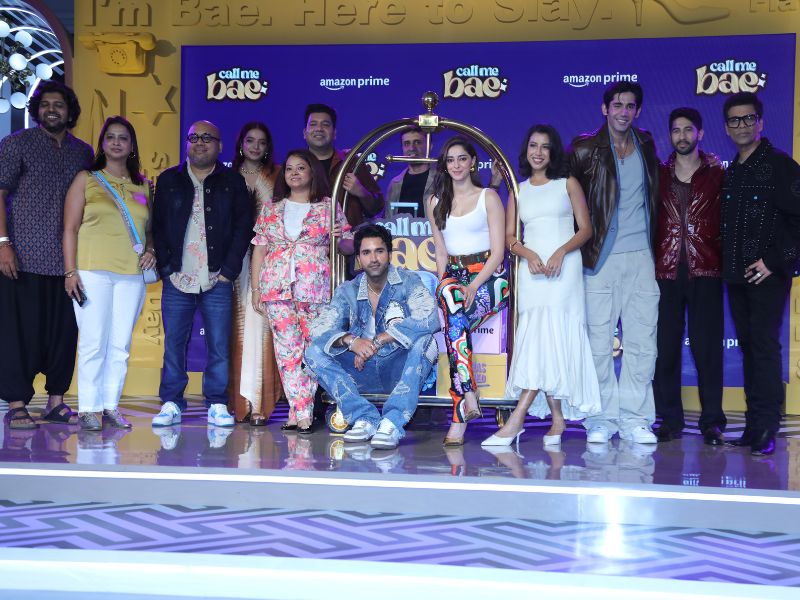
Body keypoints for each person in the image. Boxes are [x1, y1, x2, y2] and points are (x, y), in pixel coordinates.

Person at [483, 124, 599, 448]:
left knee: (554, 339)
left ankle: (517, 420)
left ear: (553, 152)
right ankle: (557, 419)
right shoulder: (518, 191)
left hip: (564, 271)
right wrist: (528, 254)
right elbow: (509, 237)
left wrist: (561, 251)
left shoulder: (567, 183)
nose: (538, 152)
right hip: (532, 272)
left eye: (545, 147)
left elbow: (586, 229)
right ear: (526, 150)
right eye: (533, 145)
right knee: (539, 342)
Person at [569, 81, 660, 445]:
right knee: (598, 343)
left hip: (642, 257)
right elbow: (565, 198)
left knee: (642, 341)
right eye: (617, 105)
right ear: (605, 108)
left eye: (630, 106)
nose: (624, 112)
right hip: (599, 258)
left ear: (638, 111)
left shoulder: (646, 144)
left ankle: (636, 419)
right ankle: (600, 418)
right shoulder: (584, 149)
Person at [0, 81, 93, 430]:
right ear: (37, 109)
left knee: (63, 335)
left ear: (70, 112)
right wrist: (3, 243)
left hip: (67, 262)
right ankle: (17, 404)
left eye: (59, 105)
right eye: (46, 104)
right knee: (18, 334)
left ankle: (56, 402)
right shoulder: (16, 144)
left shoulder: (82, 152)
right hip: (20, 258)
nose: (52, 110)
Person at [151, 120, 253, 428]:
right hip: (177, 276)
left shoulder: (232, 181)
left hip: (217, 276)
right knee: (174, 344)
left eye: (207, 138)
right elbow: (157, 226)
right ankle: (171, 402)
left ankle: (217, 403)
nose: (199, 142)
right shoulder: (169, 179)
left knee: (219, 345)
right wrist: (166, 268)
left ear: (220, 146)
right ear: (186, 143)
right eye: (194, 137)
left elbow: (243, 228)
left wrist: (229, 271)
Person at [304, 224, 440, 450]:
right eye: (366, 253)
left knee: (426, 342)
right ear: (358, 258)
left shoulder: (408, 281)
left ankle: (392, 423)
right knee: (313, 352)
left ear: (390, 254)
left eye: (379, 251)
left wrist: (380, 340)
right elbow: (319, 329)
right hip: (361, 370)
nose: (374, 259)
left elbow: (429, 317)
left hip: (399, 368)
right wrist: (351, 341)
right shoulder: (348, 290)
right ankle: (364, 417)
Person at [250, 149, 353, 434]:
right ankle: (301, 411)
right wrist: (256, 288)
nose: (294, 173)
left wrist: (341, 238)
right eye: (289, 169)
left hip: (315, 288)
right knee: (287, 352)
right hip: (276, 288)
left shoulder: (328, 206)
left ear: (312, 172)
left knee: (313, 350)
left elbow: (347, 246)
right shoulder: (271, 208)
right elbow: (259, 249)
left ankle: (300, 409)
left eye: (300, 168)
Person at [720, 92, 800, 456]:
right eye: (735, 120)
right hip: (736, 277)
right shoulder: (733, 171)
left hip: (768, 276)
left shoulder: (781, 165)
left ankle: (768, 426)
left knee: (765, 348)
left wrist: (772, 262)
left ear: (761, 123)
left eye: (748, 118)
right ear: (726, 128)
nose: (742, 126)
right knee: (750, 349)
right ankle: (753, 426)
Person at [62, 116, 154, 431]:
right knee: (93, 341)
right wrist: (70, 271)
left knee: (120, 344)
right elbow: (70, 228)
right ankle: (88, 408)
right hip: (91, 271)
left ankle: (110, 406)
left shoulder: (143, 185)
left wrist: (152, 250)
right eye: (110, 137)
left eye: (123, 138)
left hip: (132, 274)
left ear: (132, 146)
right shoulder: (86, 178)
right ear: (102, 144)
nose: (116, 142)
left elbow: (149, 230)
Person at [428, 137, 509, 447]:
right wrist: (444, 286)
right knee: (451, 304)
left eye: (462, 158)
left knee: (453, 324)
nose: (457, 165)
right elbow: (441, 253)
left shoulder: (489, 197)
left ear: (473, 162)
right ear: (445, 165)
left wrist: (474, 286)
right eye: (450, 160)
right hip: (454, 280)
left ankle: (461, 409)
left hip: (490, 278)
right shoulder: (435, 201)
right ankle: (467, 397)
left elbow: (498, 253)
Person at [653, 107, 726, 446]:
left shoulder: (717, 174)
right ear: (670, 135)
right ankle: (669, 419)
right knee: (665, 349)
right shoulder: (658, 174)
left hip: (706, 269)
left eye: (687, 129)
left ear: (700, 133)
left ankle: (712, 422)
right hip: (665, 270)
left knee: (707, 350)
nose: (681, 136)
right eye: (675, 130)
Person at [227, 121, 283, 426]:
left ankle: (260, 403)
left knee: (261, 327)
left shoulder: (277, 176)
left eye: (262, 142)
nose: (255, 147)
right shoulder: (227, 176)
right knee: (236, 332)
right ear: (241, 143)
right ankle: (240, 404)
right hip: (232, 264)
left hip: (269, 261)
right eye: (250, 140)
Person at [303, 103, 384, 225]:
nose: (319, 128)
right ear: (305, 133)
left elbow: (377, 208)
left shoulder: (351, 163)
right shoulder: (295, 166)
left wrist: (362, 192)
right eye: (313, 124)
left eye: (325, 124)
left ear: (334, 133)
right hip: (304, 236)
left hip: (347, 236)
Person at [385, 126, 436, 219]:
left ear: (430, 146)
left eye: (417, 142)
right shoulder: (394, 184)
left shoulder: (442, 180)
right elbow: (389, 220)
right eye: (407, 143)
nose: (412, 148)